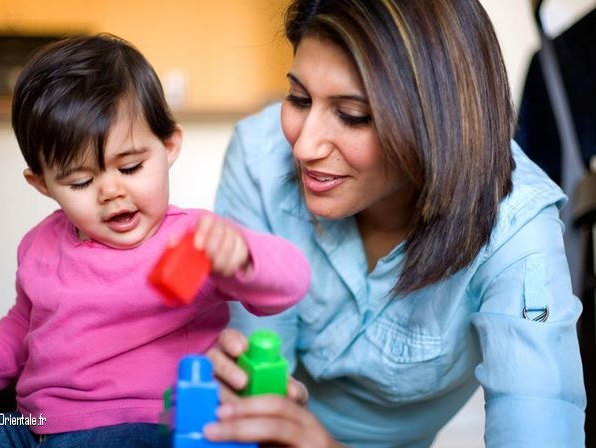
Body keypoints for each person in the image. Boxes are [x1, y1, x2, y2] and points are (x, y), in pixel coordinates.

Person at [205, 0, 587, 446]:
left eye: (353, 115)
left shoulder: (516, 231)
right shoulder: (260, 158)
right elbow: (259, 397)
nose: (304, 146)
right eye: (299, 98)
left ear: (437, 122)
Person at [0, 33, 310, 447]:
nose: (111, 192)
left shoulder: (195, 240)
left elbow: (292, 281)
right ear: (43, 184)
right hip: (30, 419)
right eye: (81, 181)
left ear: (169, 146)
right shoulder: (39, 244)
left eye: (132, 167)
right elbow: (21, 326)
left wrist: (244, 256)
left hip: (138, 421)